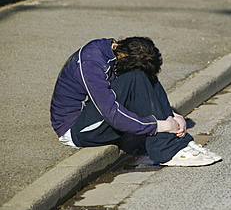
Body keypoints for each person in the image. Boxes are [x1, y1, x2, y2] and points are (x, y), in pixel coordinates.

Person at [50, 37, 221, 166]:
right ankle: (168, 152)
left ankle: (179, 143)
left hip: (96, 118)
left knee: (143, 75)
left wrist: (173, 116)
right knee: (136, 77)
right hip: (77, 130)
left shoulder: (115, 52)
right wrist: (158, 125)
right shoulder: (91, 64)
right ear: (121, 52)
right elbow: (113, 115)